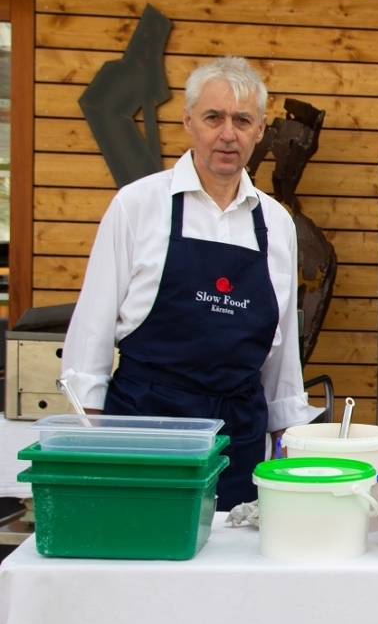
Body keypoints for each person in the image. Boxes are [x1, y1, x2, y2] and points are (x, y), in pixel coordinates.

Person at [60, 55, 317, 511]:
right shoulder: (138, 204)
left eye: (242, 120)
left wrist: (286, 435)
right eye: (213, 117)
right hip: (144, 425)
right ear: (189, 122)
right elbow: (93, 326)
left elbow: (281, 346)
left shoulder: (276, 223)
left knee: (230, 564)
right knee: (141, 552)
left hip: (236, 432)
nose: (227, 134)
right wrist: (90, 433)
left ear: (259, 131)